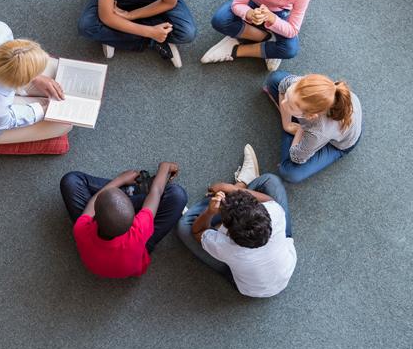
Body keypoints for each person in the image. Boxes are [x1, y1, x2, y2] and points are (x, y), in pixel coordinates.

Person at [176, 144, 297, 298]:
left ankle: (235, 189)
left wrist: (210, 212)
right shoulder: (274, 212)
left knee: (184, 226)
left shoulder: (225, 247)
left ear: (227, 232)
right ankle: (241, 184)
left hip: (249, 287)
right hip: (284, 271)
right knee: (270, 181)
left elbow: (197, 231)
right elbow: (269, 200)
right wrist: (228, 188)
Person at [60, 162, 188, 278]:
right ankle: (133, 193)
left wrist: (120, 179)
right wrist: (165, 167)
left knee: (71, 180)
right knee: (177, 195)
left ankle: (128, 192)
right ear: (133, 220)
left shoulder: (81, 228)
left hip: (99, 256)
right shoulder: (138, 229)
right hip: (139, 248)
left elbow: (96, 199)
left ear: (95, 217)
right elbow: (156, 191)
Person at [263, 70, 362, 183]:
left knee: (289, 173)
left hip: (340, 143)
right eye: (287, 97)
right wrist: (287, 125)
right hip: (321, 125)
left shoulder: (317, 132)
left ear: (310, 116)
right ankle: (295, 123)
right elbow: (282, 86)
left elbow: (296, 157)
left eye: (290, 105)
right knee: (275, 79)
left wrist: (302, 128)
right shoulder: (296, 83)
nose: (283, 104)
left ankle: (300, 131)